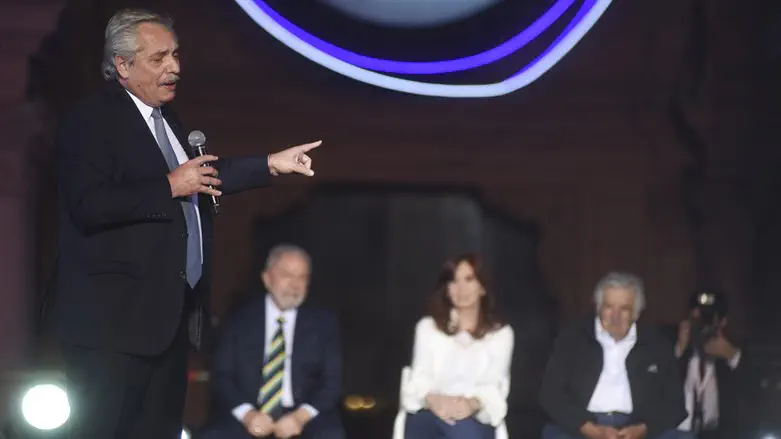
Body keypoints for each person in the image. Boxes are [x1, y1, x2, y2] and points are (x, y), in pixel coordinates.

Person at [49, 9, 323, 439]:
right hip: (113, 326)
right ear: (122, 65)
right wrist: (170, 185)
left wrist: (271, 164)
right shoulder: (91, 121)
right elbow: (88, 204)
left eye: (175, 55)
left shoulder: (167, 121)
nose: (174, 67)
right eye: (158, 58)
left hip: (167, 321)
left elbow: (203, 175)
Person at [197, 245, 344, 439]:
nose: (295, 285)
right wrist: (248, 415)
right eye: (287, 275)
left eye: (302, 277)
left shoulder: (323, 324)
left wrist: (300, 418)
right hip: (249, 412)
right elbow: (222, 376)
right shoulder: (239, 320)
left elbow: (332, 383)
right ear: (267, 279)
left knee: (331, 434)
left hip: (304, 414)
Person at [540, 272, 692, 439]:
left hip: (637, 428)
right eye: (608, 307)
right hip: (583, 426)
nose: (615, 317)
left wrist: (643, 429)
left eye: (624, 309)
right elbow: (550, 395)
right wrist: (591, 430)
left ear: (637, 313)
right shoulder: (573, 337)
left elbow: (675, 405)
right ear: (598, 308)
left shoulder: (656, 344)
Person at [401, 254, 514, 439]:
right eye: (454, 281)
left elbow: (493, 387)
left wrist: (470, 405)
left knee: (465, 430)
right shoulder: (428, 327)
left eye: (468, 279)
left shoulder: (501, 334)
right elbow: (419, 380)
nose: (461, 289)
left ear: (482, 287)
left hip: (475, 415)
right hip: (431, 412)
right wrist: (434, 401)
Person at [673, 291, 753, 439]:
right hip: (678, 432)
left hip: (717, 433)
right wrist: (679, 349)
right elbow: (658, 385)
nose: (702, 326)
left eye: (707, 319)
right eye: (696, 319)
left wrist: (732, 356)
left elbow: (754, 390)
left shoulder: (733, 354)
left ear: (722, 322)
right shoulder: (674, 348)